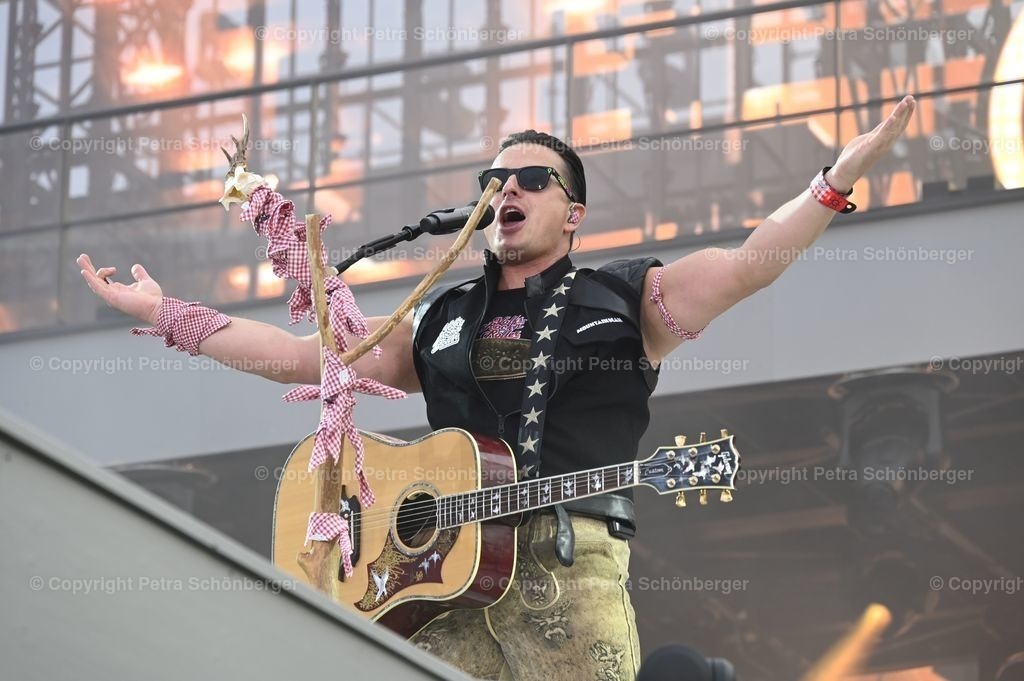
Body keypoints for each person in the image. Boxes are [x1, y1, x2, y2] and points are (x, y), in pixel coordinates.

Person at [78, 95, 915, 681]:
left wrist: (830, 184)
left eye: (531, 179)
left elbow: (745, 266)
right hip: (436, 585)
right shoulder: (442, 315)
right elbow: (308, 358)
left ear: (573, 212)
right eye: (495, 178)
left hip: (565, 567)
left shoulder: (626, 298)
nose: (506, 188)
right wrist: (168, 312)